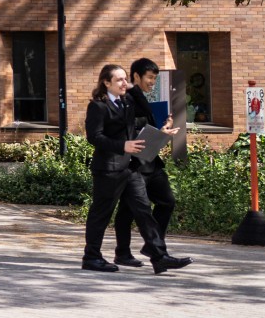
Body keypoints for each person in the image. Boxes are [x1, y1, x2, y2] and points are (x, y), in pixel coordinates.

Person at [82, 64, 192, 273]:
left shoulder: (126, 103)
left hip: (130, 168)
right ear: (106, 83)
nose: (125, 84)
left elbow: (140, 122)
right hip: (108, 168)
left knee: (143, 211)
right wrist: (122, 146)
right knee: (101, 213)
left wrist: (160, 133)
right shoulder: (98, 106)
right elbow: (94, 137)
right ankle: (91, 257)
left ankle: (159, 257)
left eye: (126, 79)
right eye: (119, 80)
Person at [113, 58, 187, 267]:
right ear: (136, 76)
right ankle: (126, 252)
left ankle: (147, 247)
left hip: (150, 160)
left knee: (166, 201)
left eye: (155, 78)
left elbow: (145, 126)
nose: (152, 82)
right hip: (133, 163)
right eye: (150, 78)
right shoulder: (127, 97)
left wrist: (163, 128)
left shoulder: (143, 98)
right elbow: (126, 127)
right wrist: (155, 130)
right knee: (129, 209)